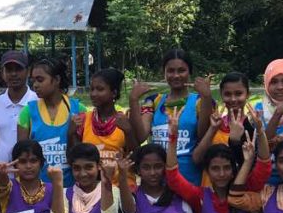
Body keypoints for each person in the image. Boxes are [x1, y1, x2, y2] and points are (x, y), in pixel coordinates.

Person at [128, 49, 214, 185]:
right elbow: (141, 136)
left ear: (190, 72)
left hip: (188, 180)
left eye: (181, 70)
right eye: (170, 71)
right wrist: (133, 100)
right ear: (164, 73)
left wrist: (207, 97)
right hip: (156, 181)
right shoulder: (153, 101)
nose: (176, 75)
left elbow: (202, 135)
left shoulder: (200, 101)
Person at [17, 56, 86, 187]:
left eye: (40, 80)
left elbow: (86, 153)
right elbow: (21, 156)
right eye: (33, 81)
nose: (35, 85)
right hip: (40, 191)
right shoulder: (27, 112)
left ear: (57, 80)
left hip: (73, 189)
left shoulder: (79, 110)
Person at [72, 68, 137, 184]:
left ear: (114, 93)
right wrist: (70, 133)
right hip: (92, 189)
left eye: (100, 89)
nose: (93, 94)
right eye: (92, 89)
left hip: (122, 188)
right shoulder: (83, 120)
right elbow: (74, 158)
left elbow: (136, 158)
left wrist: (128, 131)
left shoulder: (124, 119)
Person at [192, 72, 255, 178]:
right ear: (221, 94)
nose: (233, 99)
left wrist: (235, 142)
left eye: (238, 93)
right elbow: (196, 158)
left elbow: (250, 167)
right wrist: (212, 129)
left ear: (248, 94)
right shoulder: (215, 123)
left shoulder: (253, 127)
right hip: (209, 188)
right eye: (228, 94)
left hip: (235, 190)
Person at [0, 50, 36, 166]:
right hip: (3, 175)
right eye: (9, 70)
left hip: (31, 174)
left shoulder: (37, 102)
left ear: (28, 72)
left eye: (18, 69)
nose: (13, 74)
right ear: (2, 73)